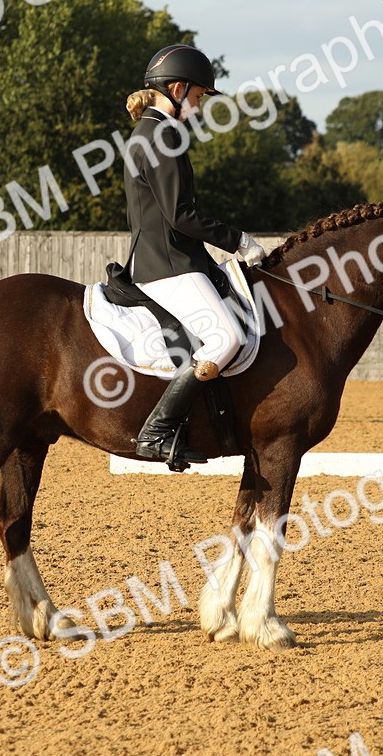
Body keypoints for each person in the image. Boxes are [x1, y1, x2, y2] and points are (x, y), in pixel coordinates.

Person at [122, 44, 266, 468]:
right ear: (178, 88)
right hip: (168, 265)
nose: (201, 106)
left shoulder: (151, 132)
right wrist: (238, 240)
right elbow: (181, 216)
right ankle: (156, 431)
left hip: (173, 260)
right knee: (228, 338)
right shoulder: (160, 135)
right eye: (199, 97)